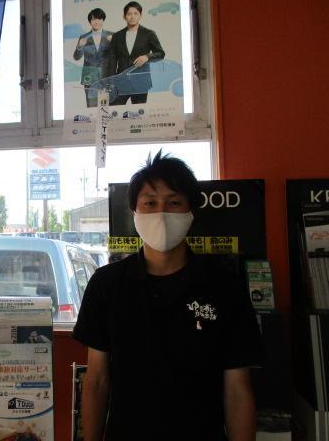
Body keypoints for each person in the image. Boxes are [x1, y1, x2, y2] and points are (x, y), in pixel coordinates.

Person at [73, 151, 263, 440]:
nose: (161, 213)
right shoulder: (106, 284)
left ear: (191, 212)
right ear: (134, 212)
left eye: (174, 203)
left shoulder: (224, 286)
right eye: (150, 203)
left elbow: (237, 389)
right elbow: (97, 380)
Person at [107, 1, 165, 105]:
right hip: (121, 81)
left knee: (139, 113)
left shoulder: (149, 34)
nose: (132, 17)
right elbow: (112, 60)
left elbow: (160, 53)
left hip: (141, 82)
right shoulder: (117, 36)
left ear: (140, 15)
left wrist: (147, 56)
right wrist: (111, 81)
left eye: (135, 13)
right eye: (129, 14)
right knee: (115, 111)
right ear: (124, 16)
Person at [73, 8, 113, 108]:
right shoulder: (84, 37)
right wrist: (79, 46)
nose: (96, 22)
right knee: (91, 108)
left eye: (99, 19)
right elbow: (76, 57)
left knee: (106, 108)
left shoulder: (111, 35)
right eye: (93, 19)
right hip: (89, 77)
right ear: (90, 21)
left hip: (106, 76)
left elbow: (119, 55)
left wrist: (114, 43)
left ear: (103, 20)